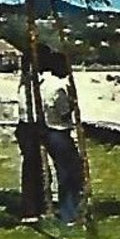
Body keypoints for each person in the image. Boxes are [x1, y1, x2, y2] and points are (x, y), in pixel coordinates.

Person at [39, 49, 84, 227]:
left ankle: (69, 210)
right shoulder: (59, 87)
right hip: (58, 131)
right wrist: (73, 104)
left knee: (65, 172)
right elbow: (64, 113)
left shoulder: (43, 84)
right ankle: (69, 212)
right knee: (70, 173)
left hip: (49, 131)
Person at [15, 49, 47, 223]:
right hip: (30, 126)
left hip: (28, 125)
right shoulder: (30, 84)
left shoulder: (26, 82)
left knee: (35, 166)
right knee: (31, 166)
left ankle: (38, 204)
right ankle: (31, 208)